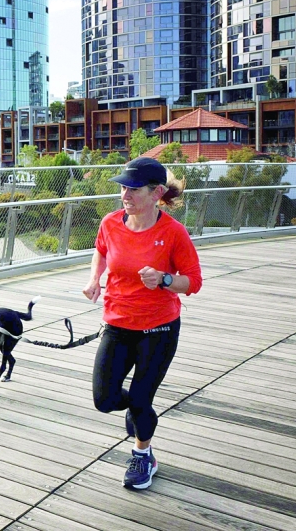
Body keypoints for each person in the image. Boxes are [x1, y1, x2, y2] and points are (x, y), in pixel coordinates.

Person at [82, 156, 202, 490]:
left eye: (134, 189)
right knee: (104, 400)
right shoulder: (110, 223)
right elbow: (101, 250)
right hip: (118, 324)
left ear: (156, 193)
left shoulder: (173, 233)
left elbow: (193, 281)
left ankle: (142, 454)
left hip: (158, 329)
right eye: (123, 187)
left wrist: (164, 279)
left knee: (140, 401)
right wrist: (95, 278)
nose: (125, 194)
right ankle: (137, 415)